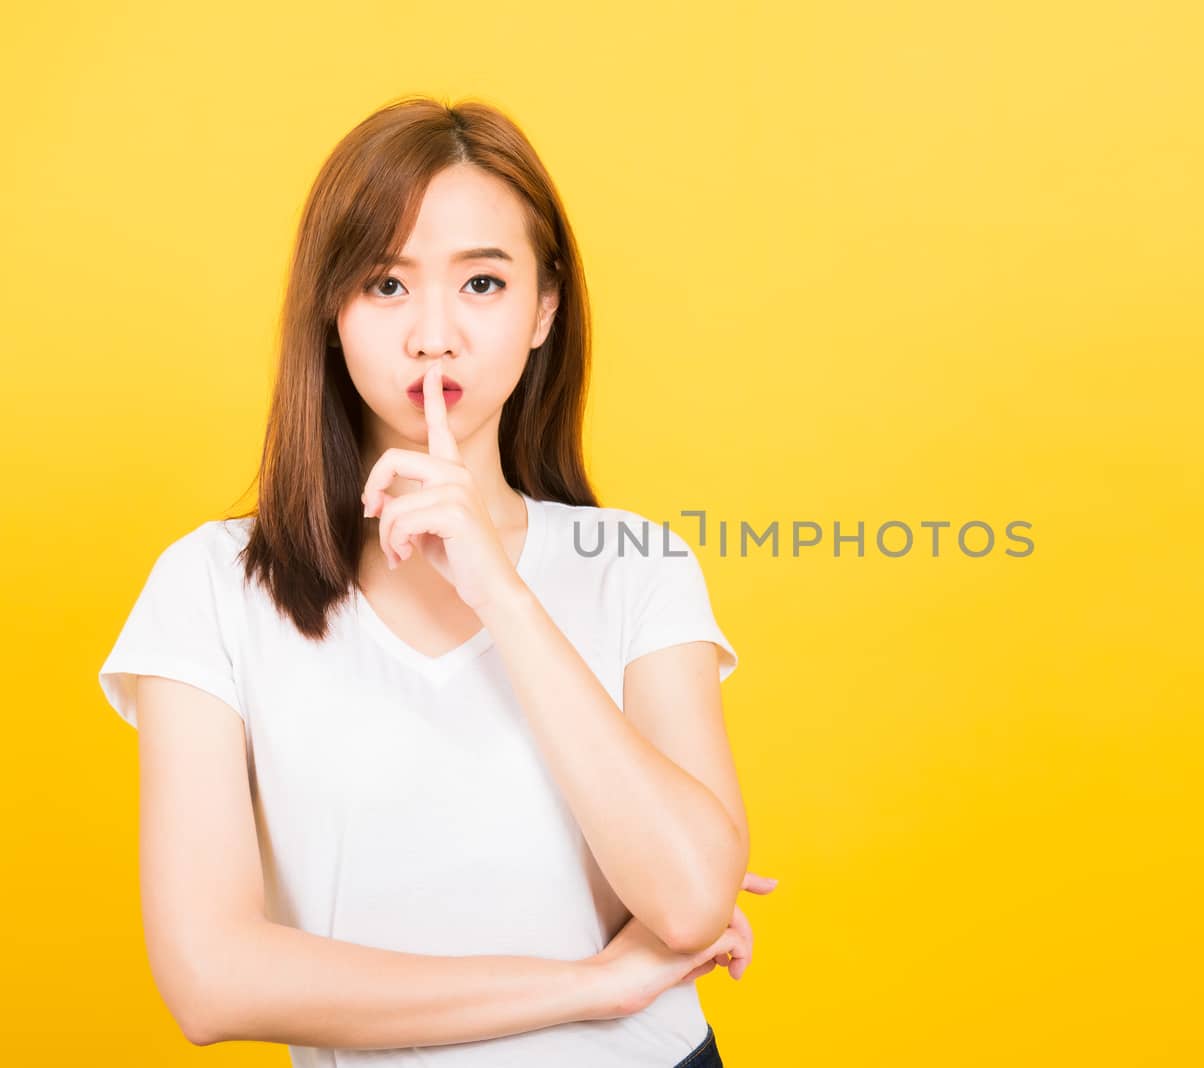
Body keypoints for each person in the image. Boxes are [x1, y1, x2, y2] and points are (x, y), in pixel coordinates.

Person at [97, 95, 776, 1067]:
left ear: (546, 308)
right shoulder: (210, 585)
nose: (433, 335)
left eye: (484, 284)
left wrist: (501, 588)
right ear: (330, 313)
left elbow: (687, 896)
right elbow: (211, 981)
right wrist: (588, 985)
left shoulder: (637, 562)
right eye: (385, 284)